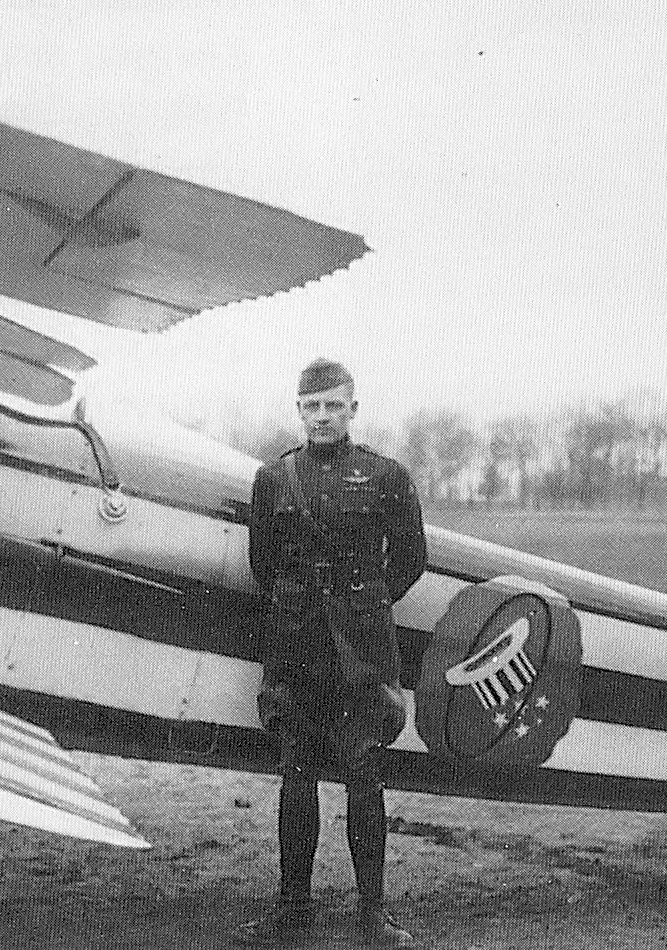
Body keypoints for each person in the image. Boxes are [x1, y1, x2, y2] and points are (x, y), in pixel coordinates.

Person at [236, 358, 427, 947]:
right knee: (296, 772)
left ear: (352, 409)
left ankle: (373, 911)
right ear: (299, 410)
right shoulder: (272, 479)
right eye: (311, 407)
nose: (322, 417)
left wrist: (362, 607)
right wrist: (308, 608)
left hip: (360, 654)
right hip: (296, 647)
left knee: (363, 771)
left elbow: (411, 560)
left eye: (333, 406)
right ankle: (293, 907)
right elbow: (264, 567)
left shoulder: (387, 476)